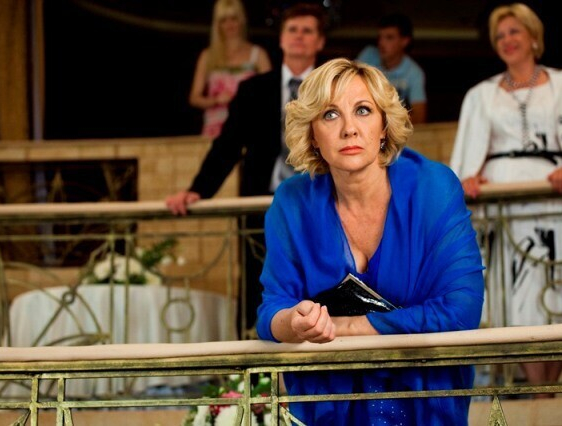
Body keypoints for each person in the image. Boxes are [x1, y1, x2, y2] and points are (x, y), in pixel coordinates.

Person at [256, 58, 484, 425]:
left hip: (424, 403)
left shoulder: (433, 188)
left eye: (363, 110)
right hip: (328, 405)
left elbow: (461, 311)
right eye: (330, 115)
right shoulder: (291, 202)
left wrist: (344, 327)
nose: (349, 129)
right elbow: (271, 312)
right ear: (312, 134)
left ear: (384, 126)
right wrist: (294, 324)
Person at [449, 3, 562, 392]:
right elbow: (465, 163)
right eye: (500, 36)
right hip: (508, 207)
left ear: (534, 36)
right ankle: (540, 391)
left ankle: (548, 392)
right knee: (519, 299)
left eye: (514, 32)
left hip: (558, 205)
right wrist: (471, 178)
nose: (507, 41)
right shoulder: (481, 95)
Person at [166, 3, 327, 338]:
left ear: (319, 41)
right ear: (281, 39)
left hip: (321, 202)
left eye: (307, 31)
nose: (299, 37)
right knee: (259, 282)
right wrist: (198, 189)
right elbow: (227, 146)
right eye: (292, 30)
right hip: (261, 206)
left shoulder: (333, 88)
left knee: (322, 280)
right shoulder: (254, 88)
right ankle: (253, 360)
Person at [189, 0, 272, 138]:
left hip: (249, 127)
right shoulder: (207, 56)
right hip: (214, 130)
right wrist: (216, 100)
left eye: (234, 19)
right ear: (217, 24)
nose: (229, 25)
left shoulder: (258, 55)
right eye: (224, 20)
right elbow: (194, 98)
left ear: (242, 20)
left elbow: (271, 94)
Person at [356, 13, 427, 123]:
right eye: (380, 37)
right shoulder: (367, 56)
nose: (381, 43)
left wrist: (388, 124)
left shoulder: (414, 73)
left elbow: (419, 116)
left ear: (404, 41)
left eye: (389, 37)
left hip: (393, 129)